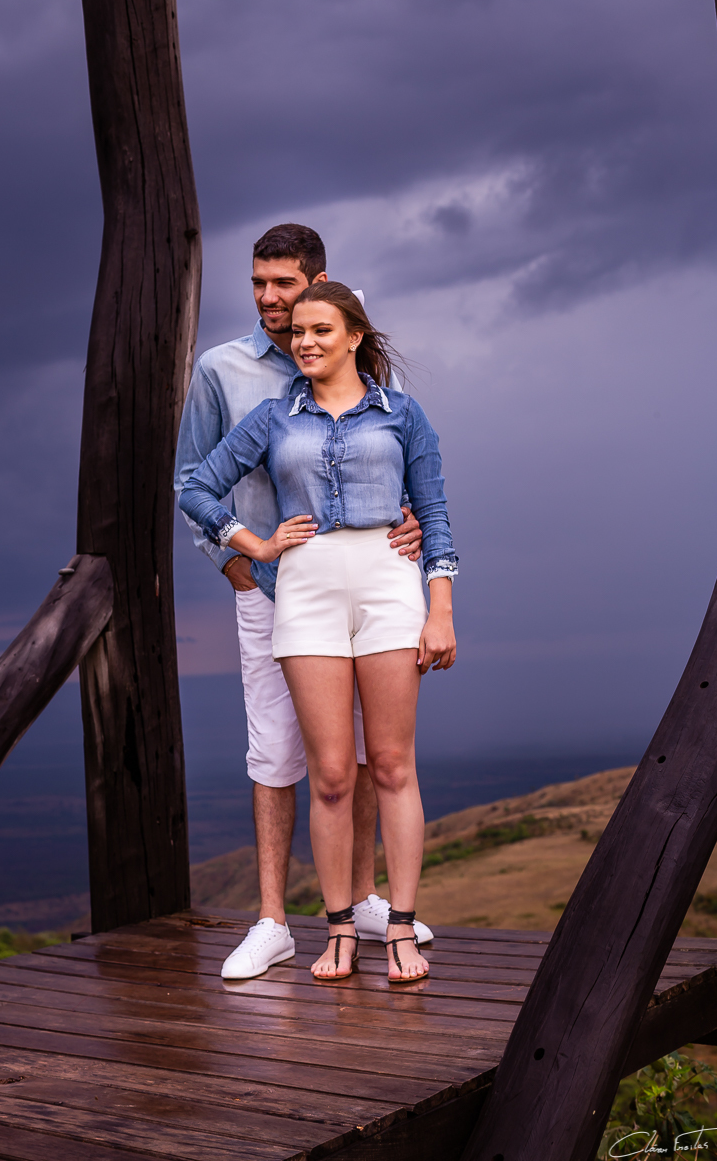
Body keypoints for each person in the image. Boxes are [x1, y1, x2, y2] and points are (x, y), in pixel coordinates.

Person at [174, 225, 433, 980]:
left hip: (364, 585)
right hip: (271, 591)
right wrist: (238, 558)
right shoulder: (223, 369)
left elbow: (393, 462)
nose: (268, 299)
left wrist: (407, 521)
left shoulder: (351, 361)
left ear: (318, 283)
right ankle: (272, 920)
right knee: (275, 752)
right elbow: (190, 476)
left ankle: (361, 902)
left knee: (358, 753)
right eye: (258, 283)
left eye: (283, 284)